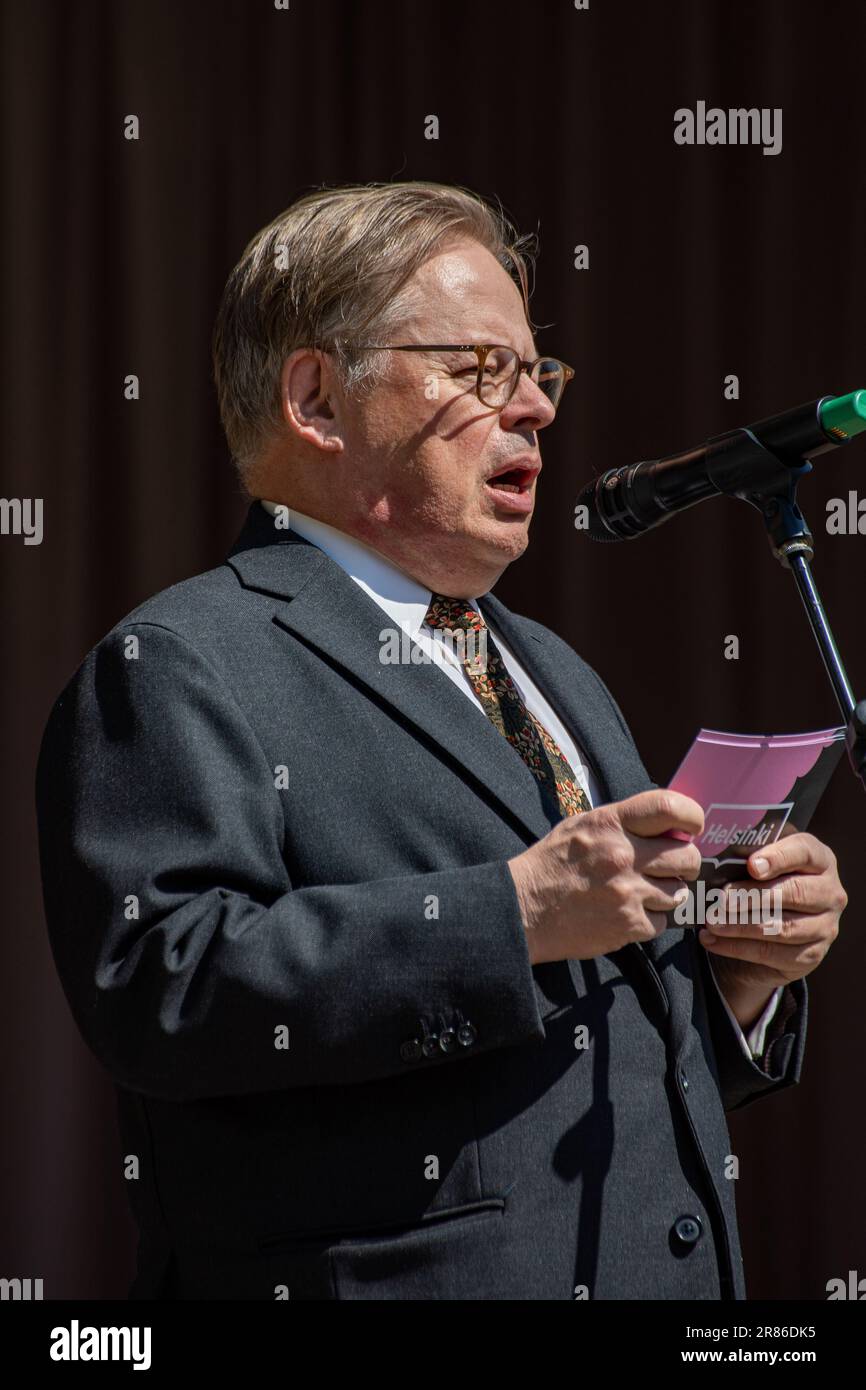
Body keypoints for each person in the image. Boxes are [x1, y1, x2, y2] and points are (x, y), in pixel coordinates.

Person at [35, 181, 847, 1300]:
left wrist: (736, 978)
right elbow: (164, 987)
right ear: (317, 399)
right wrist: (508, 916)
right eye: (479, 369)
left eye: (537, 373)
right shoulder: (182, 662)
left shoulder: (553, 671)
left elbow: (596, 1040)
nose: (536, 410)